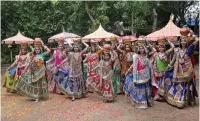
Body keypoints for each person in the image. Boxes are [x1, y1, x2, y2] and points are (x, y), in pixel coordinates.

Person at [165, 35, 199, 108]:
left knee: (188, 85)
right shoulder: (177, 50)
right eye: (182, 41)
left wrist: (193, 35)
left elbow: (196, 42)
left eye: (184, 41)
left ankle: (188, 100)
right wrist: (168, 67)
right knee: (179, 86)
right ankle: (179, 101)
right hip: (178, 71)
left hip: (187, 70)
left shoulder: (189, 49)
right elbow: (174, 59)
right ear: (180, 42)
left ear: (186, 42)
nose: (183, 42)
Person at [125, 38, 156, 109]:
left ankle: (146, 102)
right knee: (137, 88)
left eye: (143, 48)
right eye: (140, 48)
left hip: (146, 75)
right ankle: (138, 102)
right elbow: (133, 64)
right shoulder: (136, 56)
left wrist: (148, 44)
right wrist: (129, 70)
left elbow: (154, 50)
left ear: (145, 48)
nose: (141, 50)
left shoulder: (147, 56)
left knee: (146, 88)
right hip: (138, 76)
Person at [151, 36, 175, 101]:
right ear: (158, 48)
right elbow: (152, 63)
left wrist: (168, 41)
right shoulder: (156, 54)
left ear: (164, 48)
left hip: (165, 72)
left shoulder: (166, 53)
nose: (161, 48)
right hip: (158, 72)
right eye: (160, 47)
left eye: (162, 47)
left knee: (165, 84)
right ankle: (159, 96)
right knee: (158, 84)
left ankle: (165, 97)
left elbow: (173, 47)